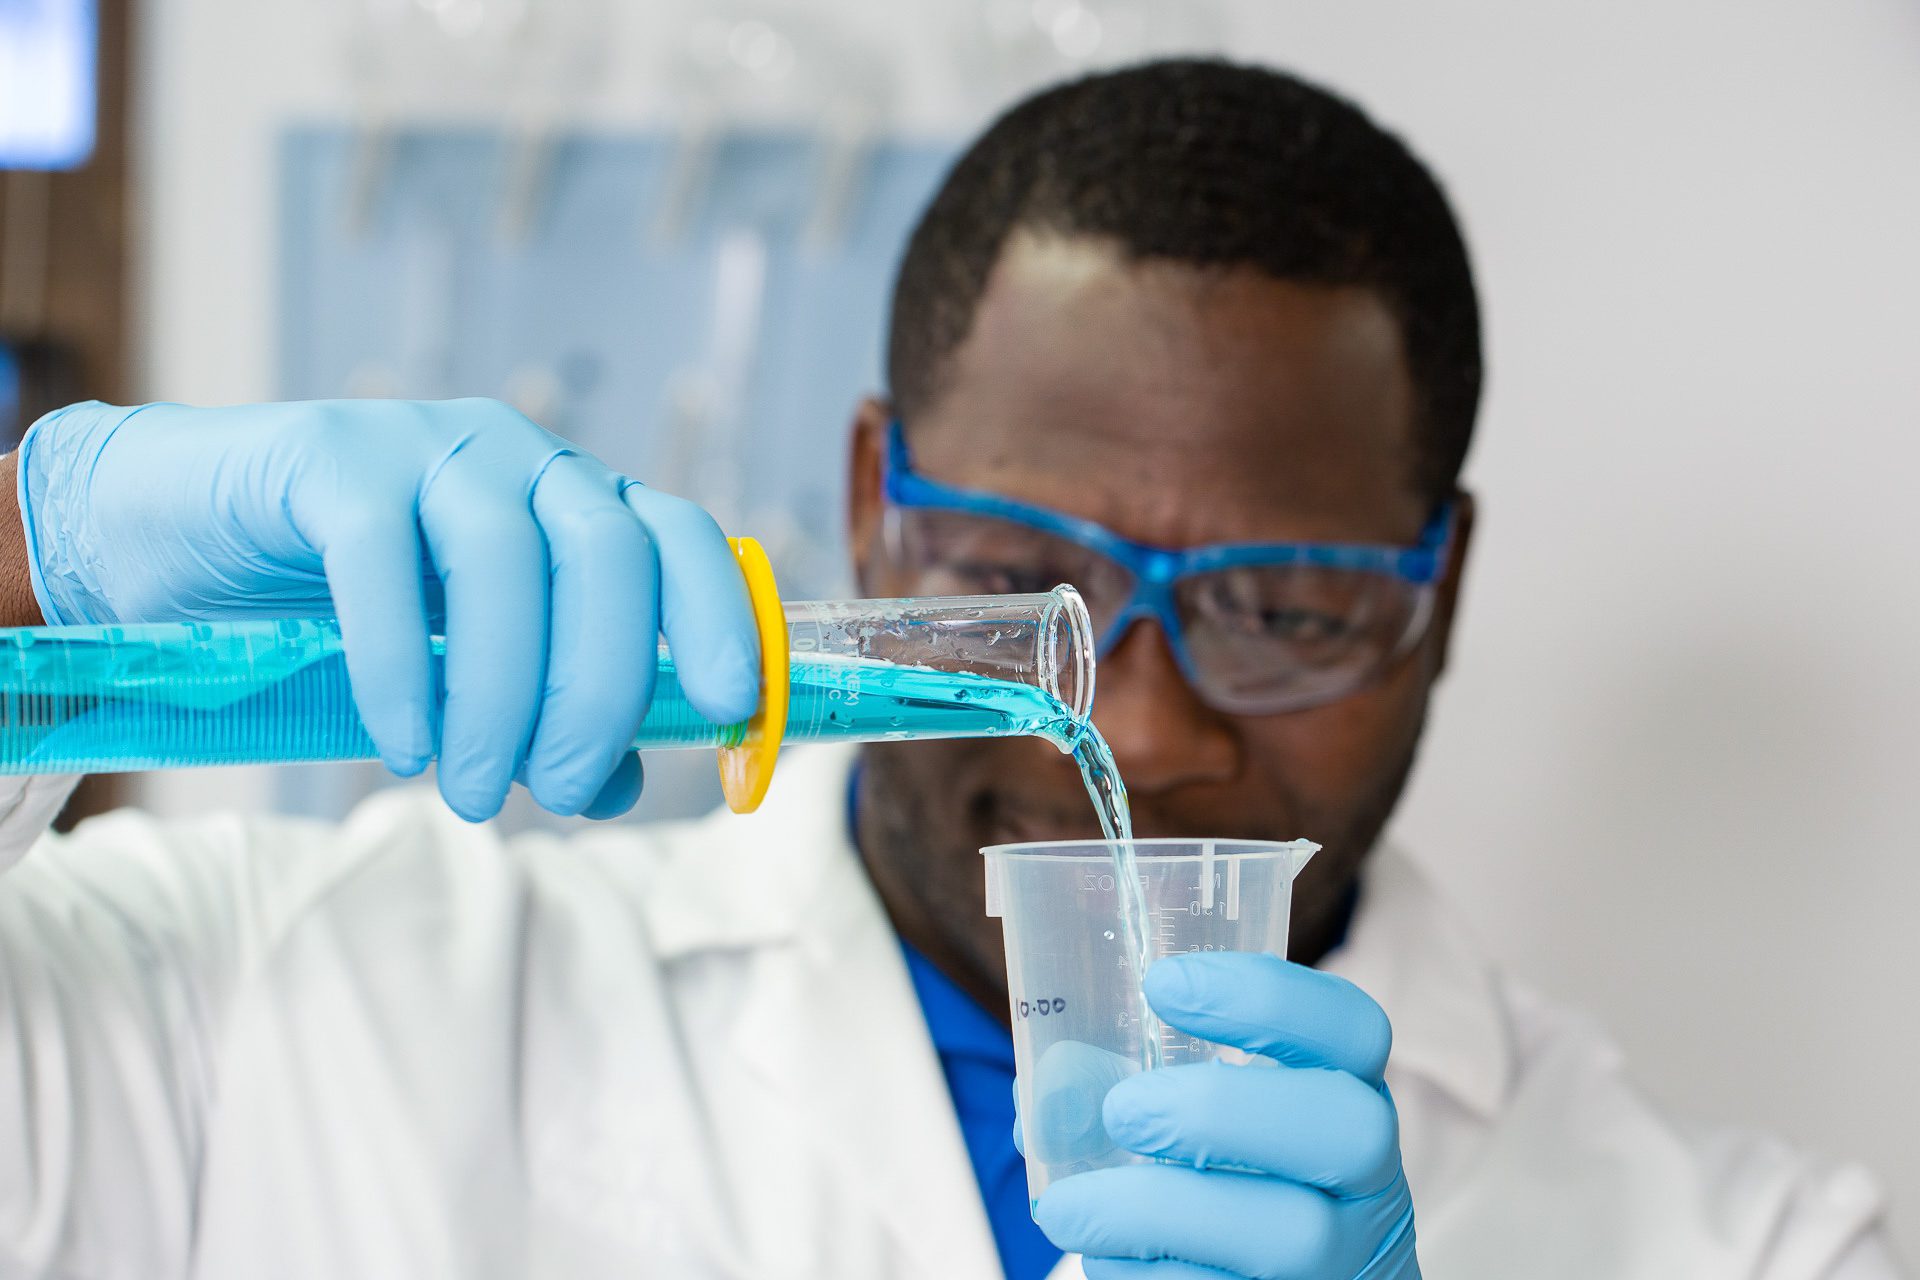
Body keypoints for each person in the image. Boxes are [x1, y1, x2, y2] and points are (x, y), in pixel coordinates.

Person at [0, 59, 1901, 1280]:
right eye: (1020, 573)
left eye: (1291, 606)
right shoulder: (247, 1002)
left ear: (1446, 591)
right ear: (872, 508)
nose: (1140, 733)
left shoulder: (1737, 1247)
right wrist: (32, 557)